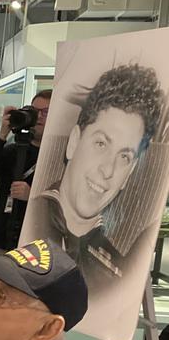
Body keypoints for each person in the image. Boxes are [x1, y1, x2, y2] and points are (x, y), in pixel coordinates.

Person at [31, 64, 163, 291]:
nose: (108, 170)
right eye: (101, 143)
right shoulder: (34, 227)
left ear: (129, 173)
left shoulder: (114, 268)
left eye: (124, 157)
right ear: (73, 143)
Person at [0, 90, 51, 251]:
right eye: (35, 111)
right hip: (0, 237)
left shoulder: (60, 158)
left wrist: (33, 196)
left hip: (36, 243)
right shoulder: (13, 150)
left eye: (46, 112)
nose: (39, 117)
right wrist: (2, 134)